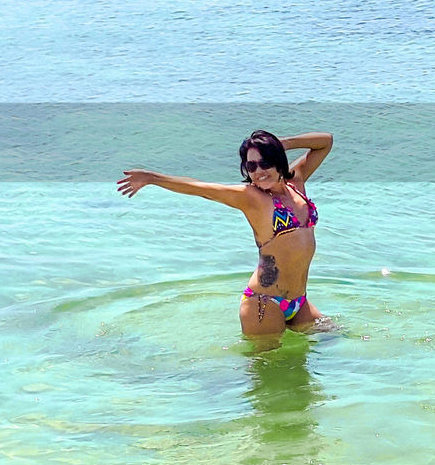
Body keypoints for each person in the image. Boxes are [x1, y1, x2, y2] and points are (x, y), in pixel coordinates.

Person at [116, 130, 334, 340]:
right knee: (270, 370)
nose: (259, 171)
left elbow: (325, 142)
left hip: (299, 301)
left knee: (335, 337)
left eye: (265, 162)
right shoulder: (252, 198)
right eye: (251, 166)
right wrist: (151, 177)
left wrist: (284, 142)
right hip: (265, 303)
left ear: (278, 159)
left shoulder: (296, 183)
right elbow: (201, 188)